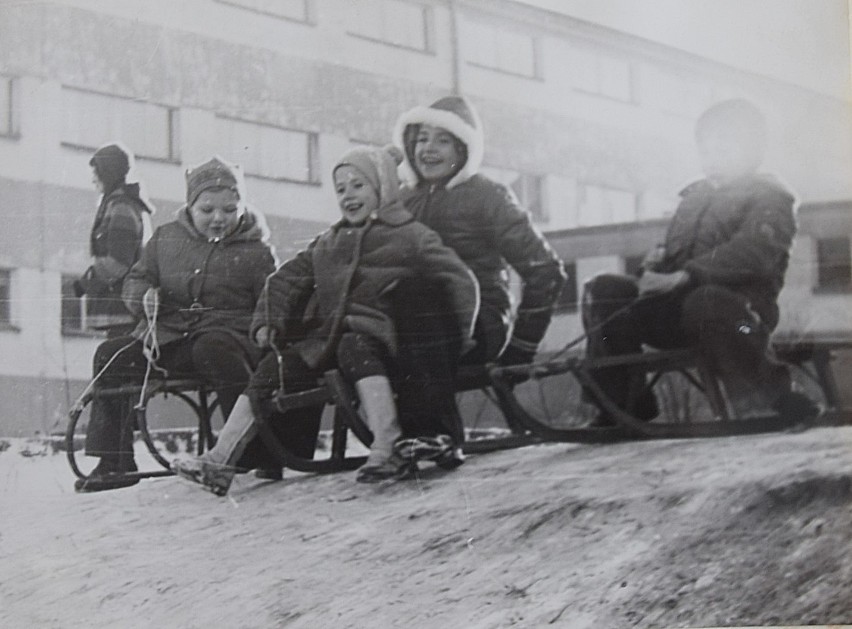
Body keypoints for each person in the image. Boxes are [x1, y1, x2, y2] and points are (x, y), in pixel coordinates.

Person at [170, 145, 479, 494]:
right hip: (326, 339)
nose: (348, 195)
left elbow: (459, 280)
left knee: (354, 347)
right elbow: (285, 280)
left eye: (358, 185)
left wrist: (455, 338)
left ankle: (387, 446)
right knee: (274, 366)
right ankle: (220, 460)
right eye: (341, 188)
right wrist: (268, 320)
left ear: (383, 186)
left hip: (379, 335)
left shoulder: (409, 235)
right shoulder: (330, 240)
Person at [581, 98, 819, 425]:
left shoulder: (771, 197)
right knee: (604, 288)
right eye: (706, 152)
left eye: (723, 152)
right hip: (679, 312)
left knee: (706, 299)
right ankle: (623, 403)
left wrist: (686, 275)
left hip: (739, 313)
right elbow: (674, 256)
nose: (712, 161)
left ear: (750, 152)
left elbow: (753, 252)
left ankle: (772, 399)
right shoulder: (693, 199)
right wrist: (654, 268)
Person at [75, 156, 279, 492]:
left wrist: (264, 327)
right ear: (190, 206)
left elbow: (272, 300)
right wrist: (143, 296)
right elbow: (137, 278)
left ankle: (250, 449)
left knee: (215, 349)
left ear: (242, 207)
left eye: (230, 210)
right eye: (207, 209)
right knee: (111, 355)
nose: (218, 218)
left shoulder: (256, 251)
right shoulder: (166, 240)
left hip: (224, 339)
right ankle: (115, 460)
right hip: (168, 340)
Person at [391, 95, 566, 454]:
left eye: (443, 140)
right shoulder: (402, 201)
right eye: (422, 138)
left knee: (415, 293)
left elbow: (545, 272)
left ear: (463, 147)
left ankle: (436, 433)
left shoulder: (488, 196)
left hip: (478, 322)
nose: (429, 149)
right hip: (413, 324)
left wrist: (521, 349)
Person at [74, 143, 154, 337]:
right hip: (120, 312)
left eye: (97, 172)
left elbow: (118, 262)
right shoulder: (117, 204)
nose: (94, 179)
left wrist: (86, 282)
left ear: (108, 173)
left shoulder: (121, 208)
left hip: (124, 312)